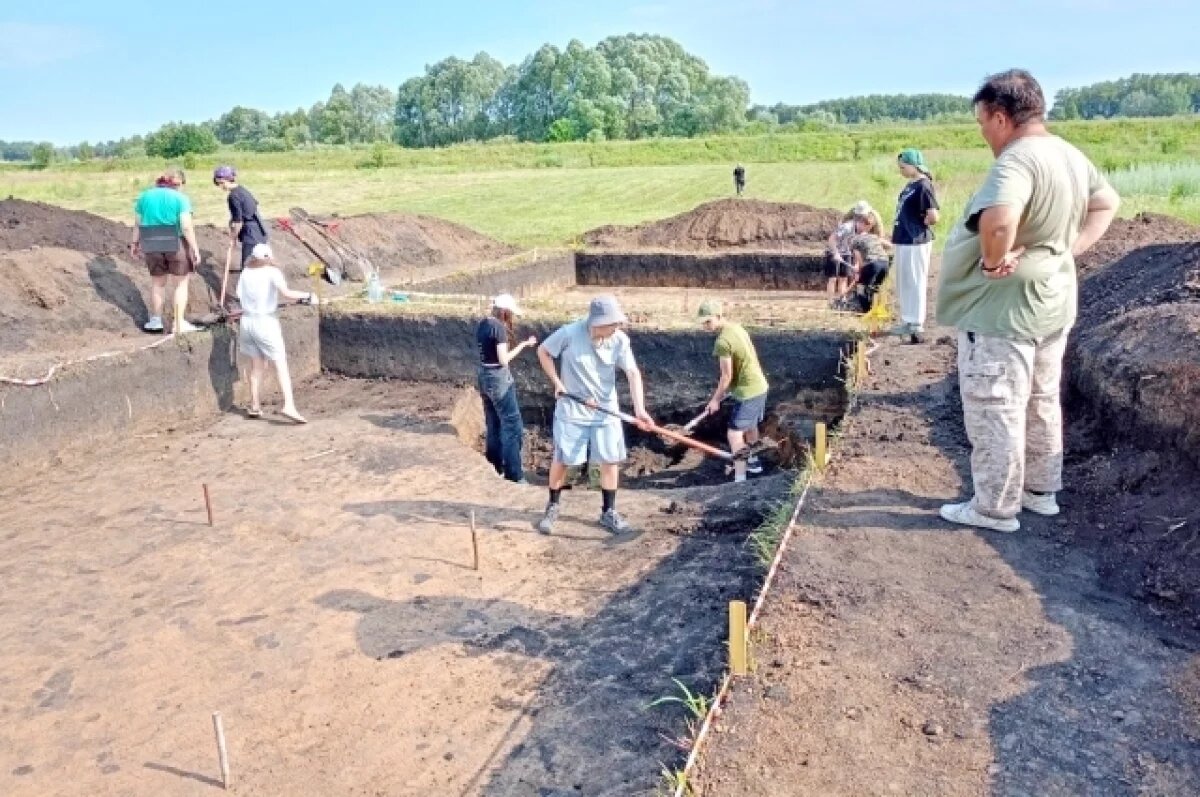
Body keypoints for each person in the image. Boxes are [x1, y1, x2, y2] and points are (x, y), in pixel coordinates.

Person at [936, 69, 1119, 534]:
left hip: (1003, 311)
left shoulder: (1017, 160)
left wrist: (994, 261)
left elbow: (998, 222)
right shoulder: (1069, 155)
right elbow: (1106, 203)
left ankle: (993, 508)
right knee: (1040, 398)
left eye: (983, 124)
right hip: (1052, 301)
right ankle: (1040, 492)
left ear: (1000, 117)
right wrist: (1065, 249)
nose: (983, 134)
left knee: (996, 402)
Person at [535, 295, 653, 535]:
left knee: (610, 460)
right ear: (596, 323)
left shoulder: (619, 340)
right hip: (573, 409)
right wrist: (557, 382)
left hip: (605, 410)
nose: (617, 328)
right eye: (613, 324)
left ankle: (608, 512)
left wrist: (639, 409)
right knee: (563, 459)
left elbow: (632, 373)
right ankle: (553, 505)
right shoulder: (569, 333)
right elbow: (543, 351)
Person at [236, 243, 319, 424]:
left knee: (257, 365)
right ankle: (289, 404)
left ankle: (255, 405)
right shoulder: (272, 272)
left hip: (247, 322)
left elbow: (240, 296)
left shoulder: (246, 273)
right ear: (267, 257)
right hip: (265, 322)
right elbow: (287, 293)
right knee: (280, 364)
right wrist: (308, 296)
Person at [698, 300, 768, 482]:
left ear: (719, 316)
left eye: (708, 321)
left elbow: (726, 376)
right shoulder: (737, 328)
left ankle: (740, 477)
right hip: (760, 386)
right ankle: (754, 462)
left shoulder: (722, 342)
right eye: (703, 322)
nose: (706, 326)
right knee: (751, 426)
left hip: (748, 391)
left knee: (734, 434)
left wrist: (715, 400)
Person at [129, 167, 201, 334]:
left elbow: (138, 223)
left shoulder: (144, 197)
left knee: (157, 283)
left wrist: (134, 243)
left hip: (151, 241)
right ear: (175, 183)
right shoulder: (180, 198)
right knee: (181, 284)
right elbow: (186, 226)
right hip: (174, 240)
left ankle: (155, 321)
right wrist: (195, 248)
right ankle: (178, 323)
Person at [476, 294, 538, 483]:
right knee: (513, 427)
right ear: (504, 312)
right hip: (498, 380)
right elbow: (503, 360)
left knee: (493, 423)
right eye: (510, 313)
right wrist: (523, 345)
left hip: (484, 376)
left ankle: (495, 467)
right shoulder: (498, 329)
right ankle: (514, 475)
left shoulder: (483, 324)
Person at [892, 148, 940, 343]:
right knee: (904, 282)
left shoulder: (923, 186)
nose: (901, 170)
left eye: (903, 167)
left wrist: (919, 225)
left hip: (915, 239)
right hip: (904, 238)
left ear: (914, 166)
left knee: (915, 281)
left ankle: (916, 322)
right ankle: (907, 319)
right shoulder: (910, 185)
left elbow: (933, 215)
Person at [213, 165, 268, 269]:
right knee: (258, 266)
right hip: (260, 231)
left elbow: (238, 222)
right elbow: (245, 211)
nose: (221, 186)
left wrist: (233, 239)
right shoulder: (242, 190)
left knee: (248, 268)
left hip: (251, 234)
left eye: (221, 183)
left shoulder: (233, 196)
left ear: (226, 180)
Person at [826, 200, 881, 298]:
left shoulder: (861, 231)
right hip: (834, 252)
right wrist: (836, 253)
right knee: (833, 278)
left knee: (844, 278)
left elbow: (857, 250)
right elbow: (832, 239)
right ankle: (830, 302)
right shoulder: (846, 227)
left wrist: (856, 265)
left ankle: (841, 301)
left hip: (847, 253)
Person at [846, 216, 892, 313]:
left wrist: (859, 271)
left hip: (872, 264)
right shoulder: (874, 237)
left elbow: (859, 259)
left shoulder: (855, 240)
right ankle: (879, 310)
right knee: (875, 288)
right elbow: (889, 246)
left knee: (861, 289)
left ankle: (867, 313)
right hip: (885, 263)